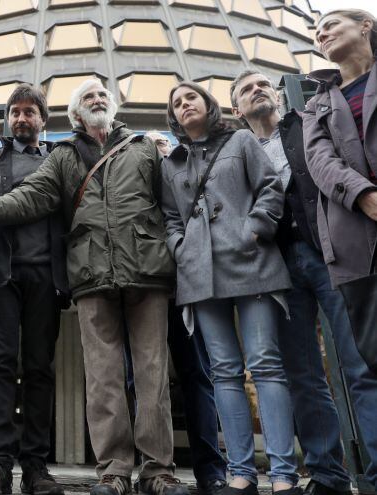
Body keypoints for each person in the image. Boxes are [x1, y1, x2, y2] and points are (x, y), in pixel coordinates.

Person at [0, 78, 186, 495]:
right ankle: (112, 471)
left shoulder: (144, 147)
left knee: (152, 374)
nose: (97, 100)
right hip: (91, 274)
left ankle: (158, 473)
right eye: (87, 98)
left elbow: (171, 202)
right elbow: (30, 197)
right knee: (102, 377)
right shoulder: (62, 157)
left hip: (144, 271)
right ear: (74, 115)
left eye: (102, 95)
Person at [232, 68, 371, 495]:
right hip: (276, 267)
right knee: (303, 372)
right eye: (245, 90)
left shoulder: (307, 122)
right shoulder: (236, 151)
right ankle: (327, 474)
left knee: (360, 363)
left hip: (327, 253)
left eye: (261, 85)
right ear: (236, 109)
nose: (257, 91)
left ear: (275, 95)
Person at [160, 81, 298, 495]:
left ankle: (283, 475)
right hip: (200, 273)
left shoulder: (240, 140)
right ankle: (240, 474)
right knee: (223, 372)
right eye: (177, 103)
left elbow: (271, 186)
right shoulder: (172, 163)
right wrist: (180, 248)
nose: (185, 106)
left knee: (266, 365)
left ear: (209, 104)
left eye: (191, 98)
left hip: (252, 262)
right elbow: (170, 216)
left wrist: (255, 228)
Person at [0, 84, 68, 495]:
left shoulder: (59, 161)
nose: (21, 118)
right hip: (0, 277)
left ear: (43, 120)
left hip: (46, 276)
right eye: (15, 112)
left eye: (30, 112)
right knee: (1, 366)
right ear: (8, 119)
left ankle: (37, 467)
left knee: (40, 368)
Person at [303, 8, 377, 487]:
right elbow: (319, 159)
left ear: (366, 27)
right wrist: (365, 195)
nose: (321, 32)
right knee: (370, 360)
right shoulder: (317, 104)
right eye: (317, 29)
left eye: (332, 23)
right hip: (355, 242)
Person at [144, 133, 227, 495]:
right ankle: (149, 467)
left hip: (184, 288)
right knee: (142, 380)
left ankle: (210, 468)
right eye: (151, 147)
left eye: (163, 143)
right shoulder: (134, 184)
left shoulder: (185, 176)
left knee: (198, 375)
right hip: (143, 290)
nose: (159, 151)